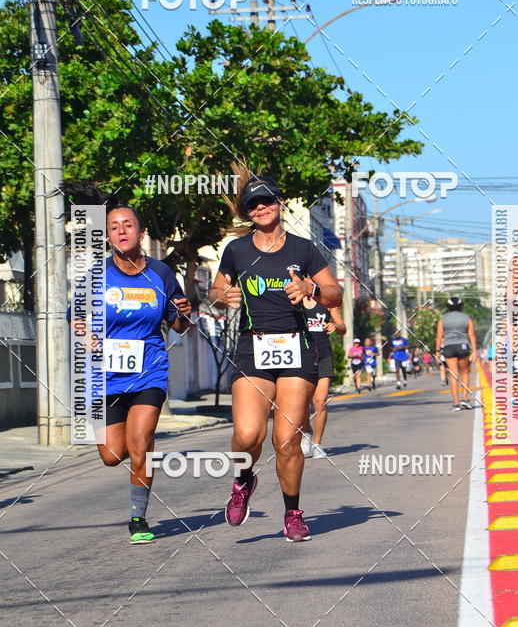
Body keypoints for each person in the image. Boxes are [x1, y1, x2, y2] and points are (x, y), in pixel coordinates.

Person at [210, 172, 342, 541]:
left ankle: (293, 514)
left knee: (286, 440)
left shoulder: (303, 249)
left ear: (279, 203)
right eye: (253, 204)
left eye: (267, 200)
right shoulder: (237, 251)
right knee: (247, 433)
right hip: (252, 348)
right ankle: (242, 480)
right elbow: (216, 291)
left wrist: (310, 287)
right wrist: (223, 296)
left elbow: (334, 293)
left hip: (297, 349)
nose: (261, 207)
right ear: (247, 212)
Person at [69, 204, 192, 544]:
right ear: (108, 236)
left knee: (139, 445)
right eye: (114, 227)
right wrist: (86, 336)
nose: (121, 231)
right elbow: (75, 316)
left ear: (141, 233)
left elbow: (179, 325)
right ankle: (141, 447)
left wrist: (185, 313)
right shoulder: (97, 275)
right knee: (111, 455)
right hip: (105, 376)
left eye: (128, 225)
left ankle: (138, 517)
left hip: (149, 370)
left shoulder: (162, 273)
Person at [301, 296, 346, 458]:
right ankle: (306, 433)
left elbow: (343, 328)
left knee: (320, 401)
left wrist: (336, 326)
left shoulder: (327, 301)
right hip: (301, 355)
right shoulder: (292, 300)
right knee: (301, 402)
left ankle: (317, 445)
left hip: (323, 355)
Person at [435, 296, 476, 411]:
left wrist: (437, 351)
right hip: (463, 346)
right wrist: (474, 351)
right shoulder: (466, 318)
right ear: (461, 306)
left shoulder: (443, 319)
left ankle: (456, 404)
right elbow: (471, 334)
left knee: (454, 374)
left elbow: (439, 336)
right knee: (465, 373)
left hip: (449, 347)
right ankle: (465, 400)